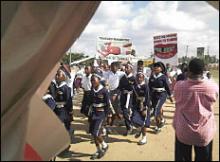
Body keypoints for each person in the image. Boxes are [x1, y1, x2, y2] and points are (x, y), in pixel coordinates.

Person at [173, 58, 219, 161]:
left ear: (188, 70)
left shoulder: (179, 86)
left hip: (183, 132)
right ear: (204, 70)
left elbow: (176, 98)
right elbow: (214, 98)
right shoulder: (212, 86)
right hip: (204, 133)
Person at [88, 74, 110, 160]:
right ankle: (98, 150)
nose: (92, 82)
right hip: (93, 114)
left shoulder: (104, 90)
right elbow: (90, 102)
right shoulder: (92, 90)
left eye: (94, 80)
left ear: (99, 80)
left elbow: (108, 104)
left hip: (101, 114)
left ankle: (105, 145)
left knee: (96, 133)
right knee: (93, 134)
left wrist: (107, 116)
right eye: (91, 80)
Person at [148, 62, 172, 133]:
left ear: (161, 69)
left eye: (158, 67)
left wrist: (170, 96)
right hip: (154, 94)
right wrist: (148, 96)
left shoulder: (163, 77)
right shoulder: (152, 77)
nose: (156, 68)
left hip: (162, 94)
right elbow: (149, 87)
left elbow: (167, 87)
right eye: (155, 67)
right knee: (157, 109)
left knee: (156, 109)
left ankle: (158, 126)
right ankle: (162, 120)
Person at [105, 62, 125, 133]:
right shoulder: (107, 74)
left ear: (117, 67)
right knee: (109, 111)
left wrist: (116, 94)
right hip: (108, 93)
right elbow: (104, 82)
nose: (113, 68)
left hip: (117, 93)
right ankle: (108, 127)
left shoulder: (121, 74)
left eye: (115, 67)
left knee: (115, 111)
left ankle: (112, 124)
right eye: (112, 66)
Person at [131, 72, 150, 145]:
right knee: (134, 119)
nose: (139, 79)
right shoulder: (134, 87)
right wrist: (131, 106)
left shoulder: (145, 87)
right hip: (136, 106)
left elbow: (148, 98)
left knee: (144, 123)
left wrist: (145, 109)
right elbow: (133, 98)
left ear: (143, 78)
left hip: (144, 107)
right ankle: (139, 129)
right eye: (138, 77)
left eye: (141, 77)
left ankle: (144, 138)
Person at [118, 63, 136, 136]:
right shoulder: (123, 77)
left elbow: (136, 89)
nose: (125, 69)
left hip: (130, 97)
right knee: (123, 111)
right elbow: (120, 87)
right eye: (125, 67)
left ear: (131, 69)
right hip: (123, 96)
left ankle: (129, 127)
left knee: (126, 112)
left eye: (127, 68)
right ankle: (129, 124)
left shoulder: (134, 78)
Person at [53, 69, 73, 133]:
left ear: (63, 77)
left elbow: (69, 101)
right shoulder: (54, 87)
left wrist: (70, 111)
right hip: (55, 109)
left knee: (62, 124)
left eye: (58, 75)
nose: (56, 77)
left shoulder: (66, 88)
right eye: (56, 75)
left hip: (63, 110)